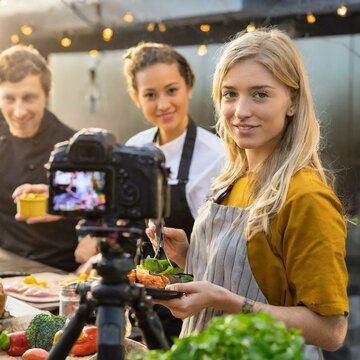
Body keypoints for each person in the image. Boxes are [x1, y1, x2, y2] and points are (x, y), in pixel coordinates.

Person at [147, 28, 349, 358]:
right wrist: (189, 257)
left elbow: (330, 331)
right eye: (230, 94)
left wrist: (225, 301)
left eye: (260, 95)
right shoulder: (232, 179)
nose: (240, 111)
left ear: (293, 102)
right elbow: (242, 278)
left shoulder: (306, 196)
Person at [0, 45, 79, 272]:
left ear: (46, 95)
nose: (19, 111)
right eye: (9, 99)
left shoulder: (73, 146)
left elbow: (106, 204)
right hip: (7, 268)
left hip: (60, 274)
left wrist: (62, 201)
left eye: (29, 98)